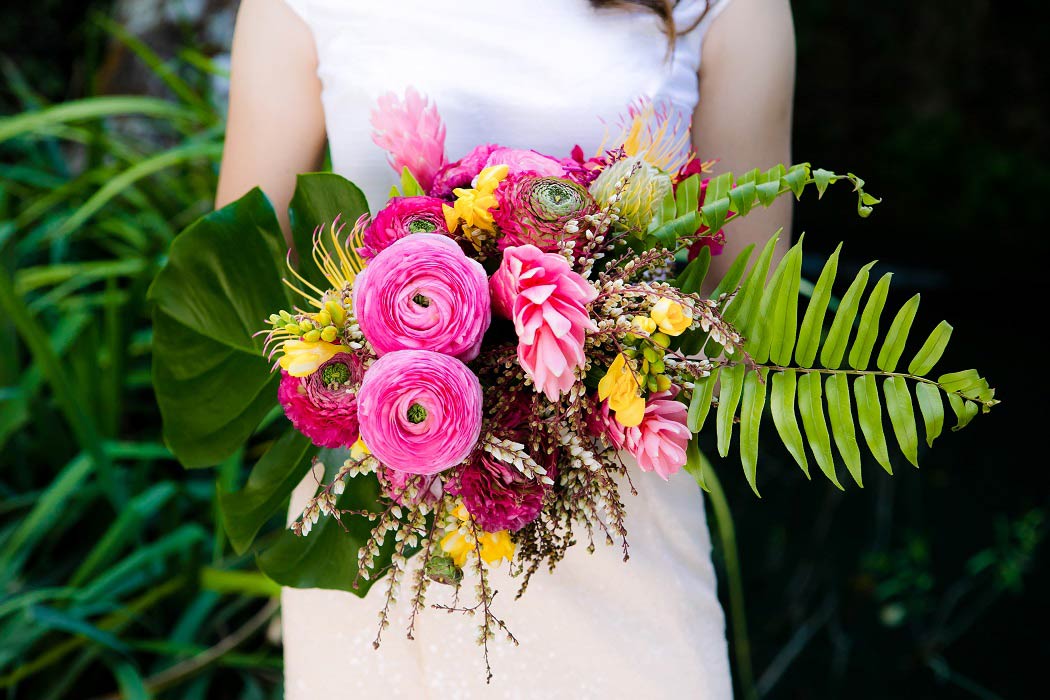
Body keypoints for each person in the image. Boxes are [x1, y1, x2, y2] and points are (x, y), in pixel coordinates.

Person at [216, 0, 795, 696]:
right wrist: (402, 343)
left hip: (623, 547)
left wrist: (579, 338)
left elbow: (748, 327)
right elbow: (238, 287)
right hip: (385, 532)